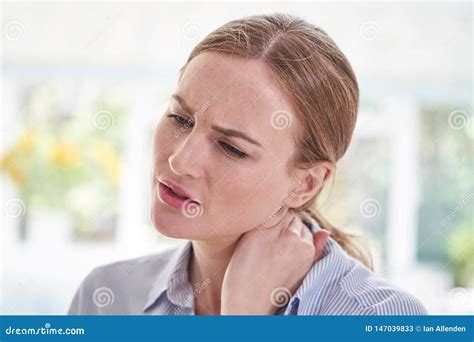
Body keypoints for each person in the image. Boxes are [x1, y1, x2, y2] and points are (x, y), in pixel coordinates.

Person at [68, 13, 427, 315]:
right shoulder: (107, 298)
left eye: (231, 147)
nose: (180, 160)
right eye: (180, 119)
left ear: (306, 183)